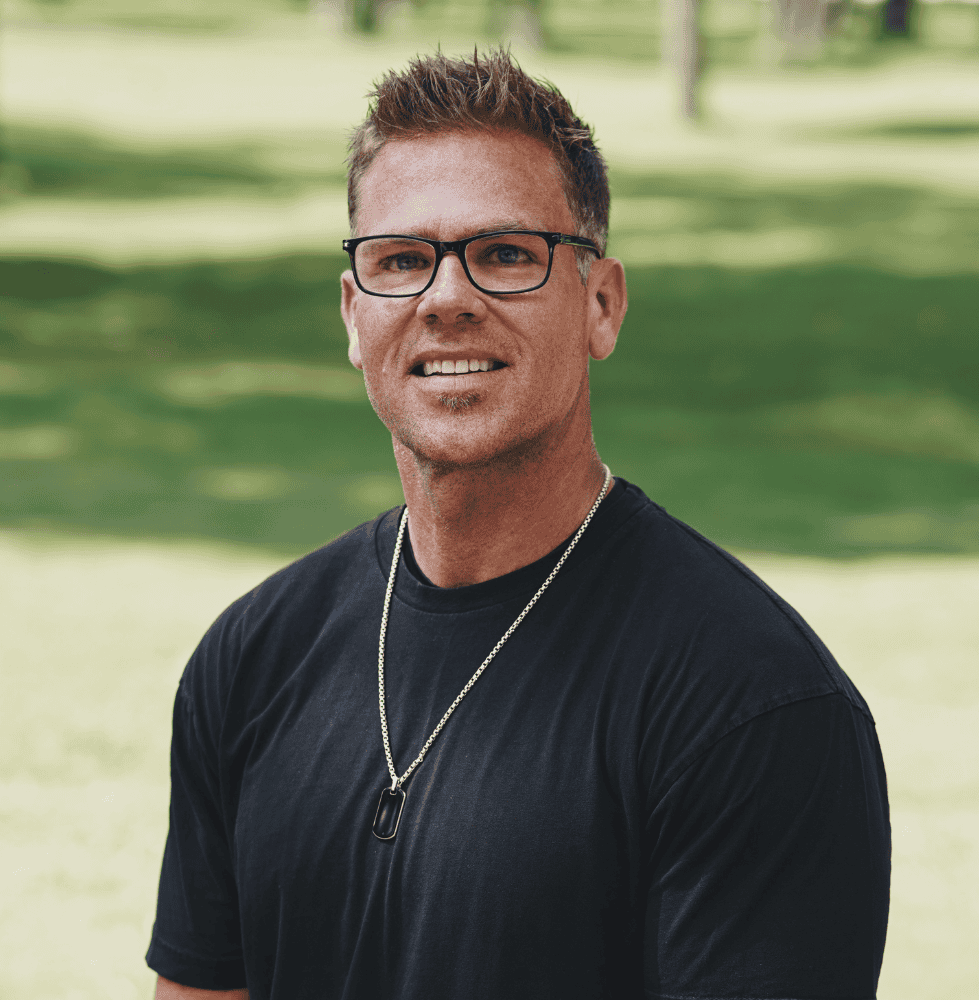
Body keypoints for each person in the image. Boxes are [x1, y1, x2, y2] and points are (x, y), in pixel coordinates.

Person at [146, 49, 890, 999]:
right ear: (351, 314)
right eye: (402, 260)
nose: (447, 298)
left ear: (602, 304)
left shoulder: (752, 707)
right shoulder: (252, 656)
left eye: (505, 255)